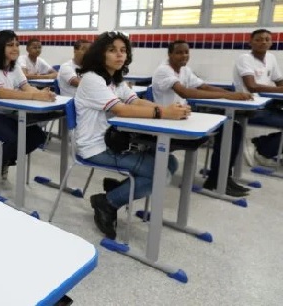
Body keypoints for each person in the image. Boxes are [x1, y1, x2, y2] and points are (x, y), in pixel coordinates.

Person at [75, 31, 187, 240]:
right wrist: (163, 113)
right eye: (112, 50)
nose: (120, 55)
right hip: (95, 148)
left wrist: (170, 110)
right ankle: (107, 202)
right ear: (100, 54)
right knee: (160, 173)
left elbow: (134, 101)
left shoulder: (115, 80)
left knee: (170, 162)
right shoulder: (92, 79)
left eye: (123, 50)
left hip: (112, 143)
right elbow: (121, 109)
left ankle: (119, 191)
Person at [152, 40, 251, 196]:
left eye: (186, 52)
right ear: (169, 54)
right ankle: (217, 180)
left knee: (233, 127)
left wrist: (230, 94)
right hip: (167, 122)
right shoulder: (164, 70)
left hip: (182, 118)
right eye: (178, 52)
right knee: (228, 129)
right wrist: (228, 95)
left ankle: (221, 178)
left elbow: (203, 86)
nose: (184, 55)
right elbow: (185, 92)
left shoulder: (185, 70)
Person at [0, 30, 55, 186]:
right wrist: (35, 96)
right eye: (10, 45)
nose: (15, 48)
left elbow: (26, 87)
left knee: (38, 136)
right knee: (14, 138)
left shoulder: (14, 67)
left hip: (5, 114)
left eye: (17, 44)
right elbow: (0, 93)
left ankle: (1, 161)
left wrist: (43, 94)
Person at [233, 29, 283, 165]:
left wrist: (280, 87)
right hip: (250, 107)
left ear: (271, 43)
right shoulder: (245, 59)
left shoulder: (271, 58)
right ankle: (262, 148)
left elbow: (279, 80)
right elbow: (252, 86)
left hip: (268, 104)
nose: (263, 42)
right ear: (250, 42)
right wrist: (279, 89)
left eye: (267, 39)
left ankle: (263, 146)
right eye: (259, 39)